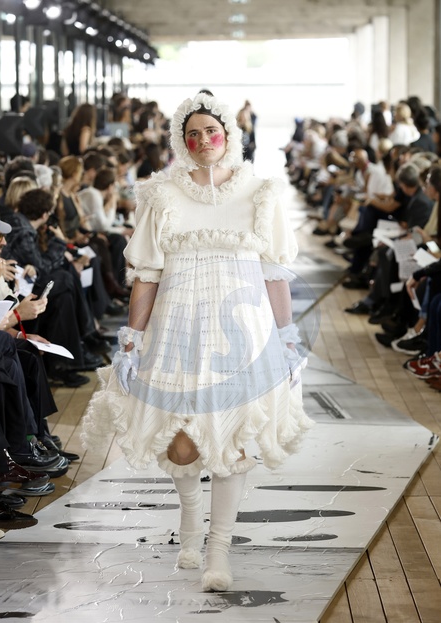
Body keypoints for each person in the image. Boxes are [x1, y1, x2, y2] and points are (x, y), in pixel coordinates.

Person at [82, 90, 312, 592]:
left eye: (211, 131)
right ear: (180, 141)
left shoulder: (261, 193)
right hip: (177, 328)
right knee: (182, 446)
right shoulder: (161, 194)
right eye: (193, 134)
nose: (204, 140)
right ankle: (190, 517)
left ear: (228, 134)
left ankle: (218, 550)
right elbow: (146, 273)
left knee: (233, 442)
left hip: (244, 332)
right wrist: (132, 338)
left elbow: (274, 272)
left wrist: (286, 335)